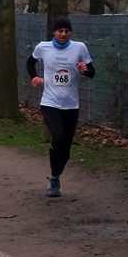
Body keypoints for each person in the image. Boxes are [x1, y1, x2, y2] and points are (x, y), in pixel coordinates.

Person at [27, 17, 94, 198]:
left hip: (71, 105)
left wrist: (85, 70)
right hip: (50, 103)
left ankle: (56, 175)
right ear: (54, 32)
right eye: (60, 31)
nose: (63, 34)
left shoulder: (79, 48)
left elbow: (92, 72)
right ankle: (54, 178)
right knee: (58, 136)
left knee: (66, 147)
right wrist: (34, 77)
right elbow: (30, 63)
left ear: (70, 32)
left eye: (66, 31)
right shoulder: (43, 47)